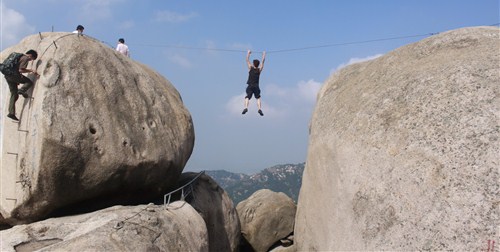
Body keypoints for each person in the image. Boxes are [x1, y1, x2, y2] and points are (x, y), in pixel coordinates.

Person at [2, 50, 39, 121]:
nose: (30, 60)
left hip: (7, 76)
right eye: (32, 59)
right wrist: (31, 70)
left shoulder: (16, 56)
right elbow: (21, 70)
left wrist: (16, 79)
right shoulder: (25, 58)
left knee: (14, 94)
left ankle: (11, 113)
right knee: (29, 82)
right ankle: (22, 90)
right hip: (14, 75)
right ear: (30, 55)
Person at [242, 50, 266, 116]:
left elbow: (247, 60)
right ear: (258, 64)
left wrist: (248, 53)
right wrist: (264, 55)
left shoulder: (250, 68)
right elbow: (263, 62)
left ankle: (246, 107)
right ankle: (259, 109)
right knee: (258, 97)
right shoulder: (259, 70)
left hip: (250, 85)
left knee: (247, 97)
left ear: (253, 64)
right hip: (256, 86)